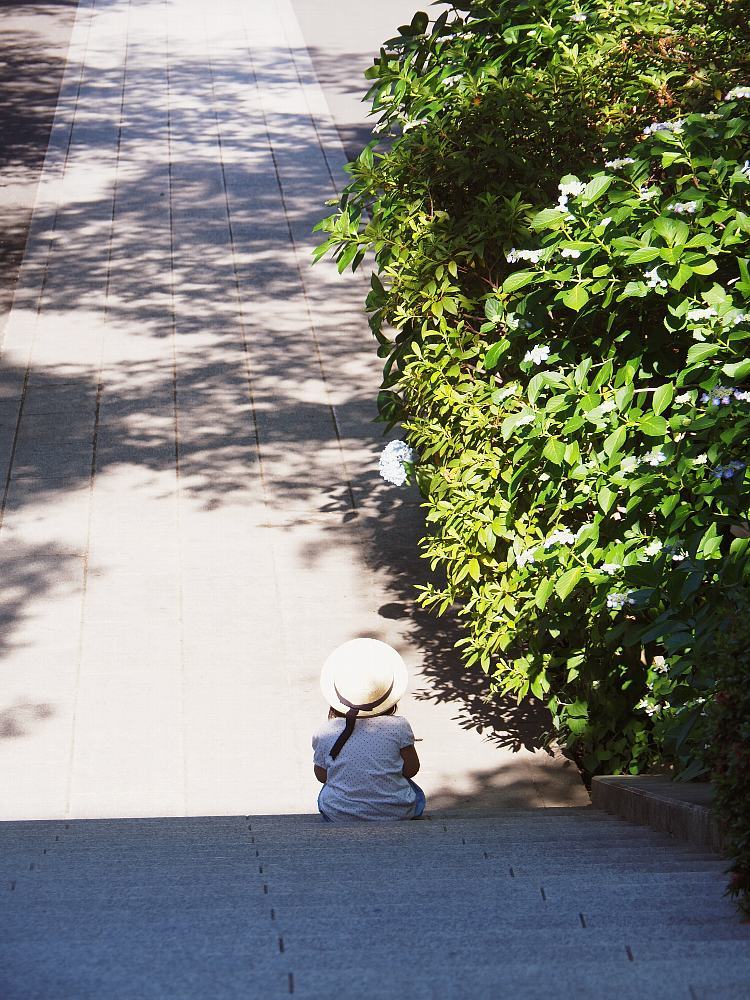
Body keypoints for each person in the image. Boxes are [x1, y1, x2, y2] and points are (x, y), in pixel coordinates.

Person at [312, 638, 426, 822]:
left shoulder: (325, 732)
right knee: (416, 793)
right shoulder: (398, 726)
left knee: (327, 792)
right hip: (397, 812)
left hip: (340, 812)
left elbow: (322, 775)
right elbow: (412, 769)